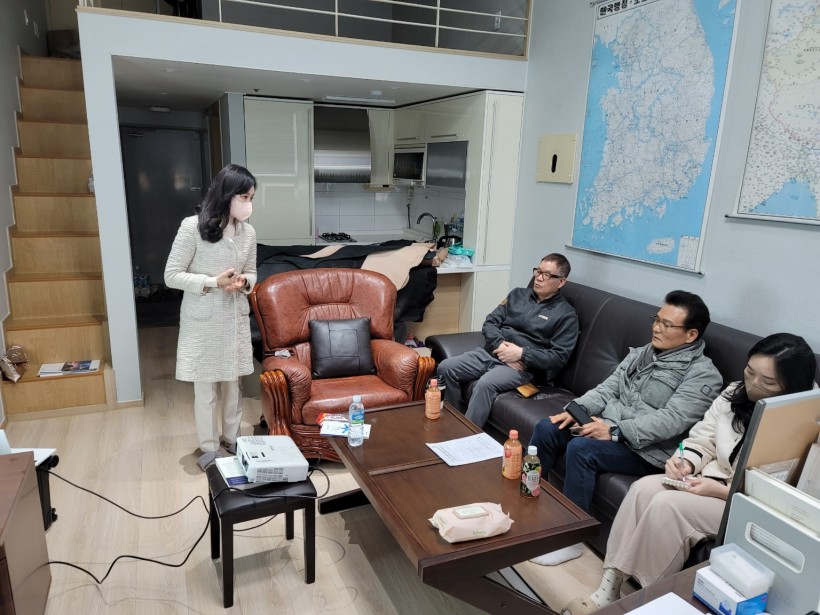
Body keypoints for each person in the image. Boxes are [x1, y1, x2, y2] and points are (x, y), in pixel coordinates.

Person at [562, 333, 817, 615]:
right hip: (706, 479)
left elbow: (789, 490)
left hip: (748, 504)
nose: (753, 384)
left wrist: (722, 490)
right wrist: (685, 461)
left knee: (666, 505)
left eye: (767, 382)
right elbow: (703, 439)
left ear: (792, 383)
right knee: (642, 489)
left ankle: (648, 599)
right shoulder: (734, 393)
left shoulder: (806, 418)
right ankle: (609, 588)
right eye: (749, 372)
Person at [529, 290, 723, 566]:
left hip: (649, 450)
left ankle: (570, 538)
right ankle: (529, 500)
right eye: (657, 319)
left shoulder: (703, 374)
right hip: (609, 428)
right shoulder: (645, 352)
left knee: (582, 449)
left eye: (667, 325)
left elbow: (672, 420)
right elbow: (608, 388)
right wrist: (576, 410)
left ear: (691, 334)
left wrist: (614, 431)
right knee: (547, 427)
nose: (656, 328)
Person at [165, 163, 258, 471]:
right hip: (203, 321)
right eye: (244, 197)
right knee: (205, 391)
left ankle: (232, 439)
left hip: (234, 318)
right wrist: (212, 282)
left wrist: (244, 282)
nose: (249, 204)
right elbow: (171, 275)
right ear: (227, 194)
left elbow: (252, 271)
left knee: (234, 387)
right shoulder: (192, 227)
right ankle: (208, 447)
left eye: (251, 198)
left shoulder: (248, 232)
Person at [438, 253, 579, 428]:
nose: (539, 278)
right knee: (446, 367)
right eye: (538, 271)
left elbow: (559, 357)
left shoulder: (566, 315)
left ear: (561, 282)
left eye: (547, 275)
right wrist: (499, 345)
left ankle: (466, 434)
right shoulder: (517, 294)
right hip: (492, 353)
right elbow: (490, 322)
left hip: (523, 367)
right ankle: (452, 423)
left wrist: (521, 354)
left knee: (485, 384)